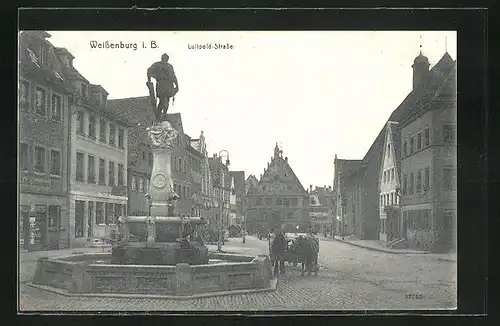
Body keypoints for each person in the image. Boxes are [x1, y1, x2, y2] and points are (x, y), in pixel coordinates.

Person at [146, 53, 179, 123]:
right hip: (161, 84)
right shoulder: (157, 65)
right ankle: (162, 114)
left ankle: (161, 114)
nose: (165, 60)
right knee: (164, 100)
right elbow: (149, 71)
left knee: (164, 101)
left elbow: (173, 76)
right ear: (162, 58)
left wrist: (177, 85)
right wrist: (149, 81)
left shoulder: (169, 66)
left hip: (168, 85)